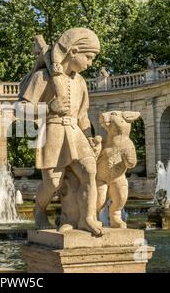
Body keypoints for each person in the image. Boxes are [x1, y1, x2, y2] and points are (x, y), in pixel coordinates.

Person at [20, 28, 103, 236]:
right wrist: (49, 108)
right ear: (73, 51)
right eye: (89, 57)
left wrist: (90, 137)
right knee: (52, 182)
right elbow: (20, 109)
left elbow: (83, 115)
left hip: (75, 131)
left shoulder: (81, 82)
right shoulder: (43, 76)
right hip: (53, 130)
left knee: (89, 171)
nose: (90, 63)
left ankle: (87, 218)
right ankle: (39, 209)